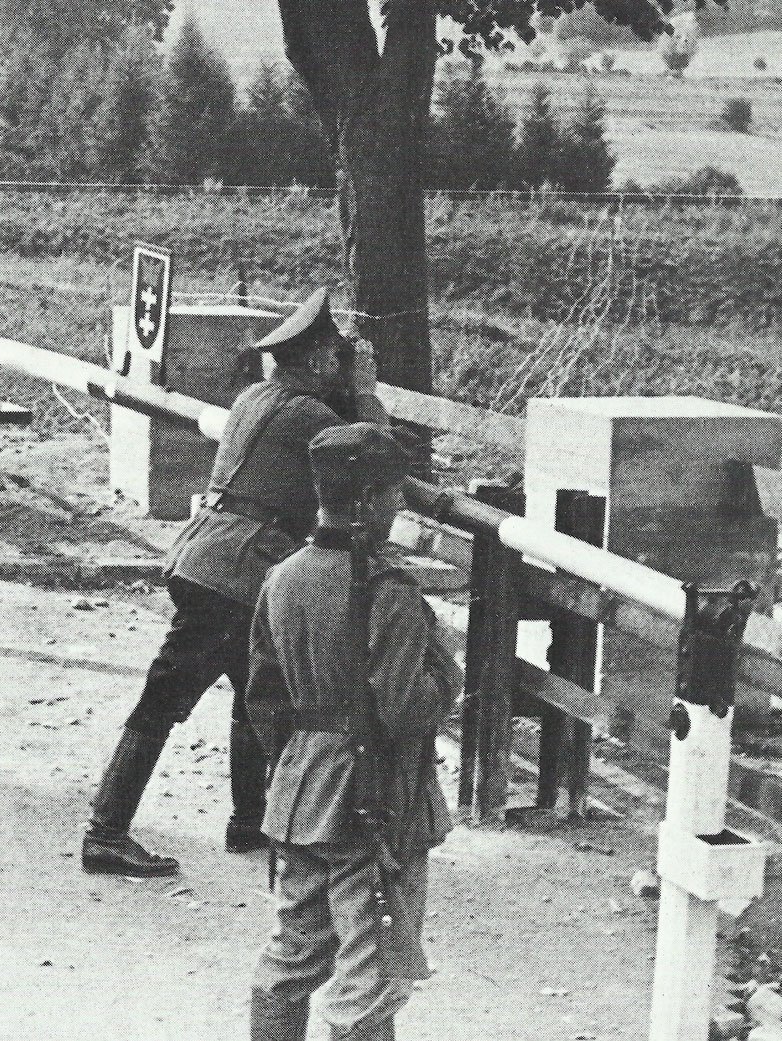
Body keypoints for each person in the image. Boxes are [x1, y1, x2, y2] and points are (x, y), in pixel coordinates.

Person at [81, 288, 387, 878]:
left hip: (208, 559)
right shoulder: (309, 417)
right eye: (335, 357)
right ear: (319, 360)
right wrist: (367, 390)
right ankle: (106, 831)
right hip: (237, 576)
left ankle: (252, 820)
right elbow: (376, 453)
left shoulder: (253, 398)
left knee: (259, 696)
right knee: (167, 700)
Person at [246, 423, 463, 1041]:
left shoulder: (282, 576)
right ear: (368, 500)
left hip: (299, 795)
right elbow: (404, 710)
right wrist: (446, 674)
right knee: (372, 978)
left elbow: (263, 700)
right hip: (374, 800)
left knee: (290, 958)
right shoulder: (388, 588)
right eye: (392, 492)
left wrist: (300, 766)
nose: (399, 504)